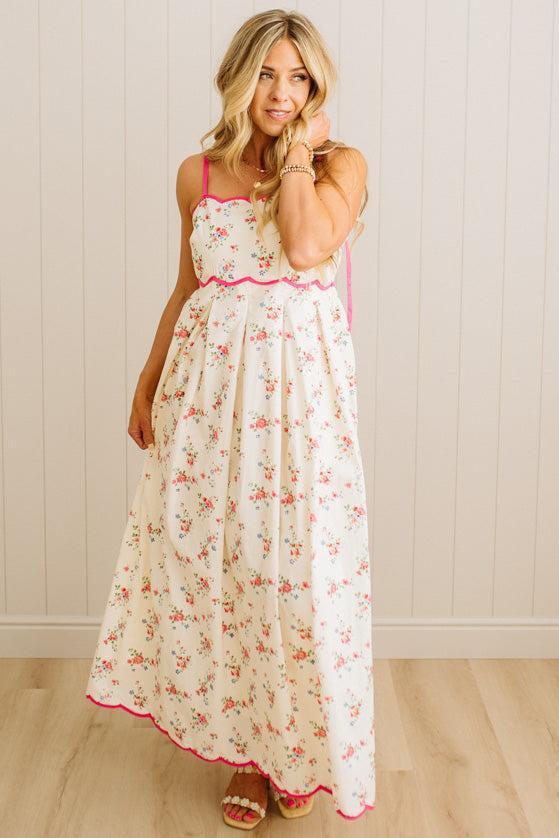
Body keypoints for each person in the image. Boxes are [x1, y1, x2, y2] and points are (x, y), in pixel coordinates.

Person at [85, 9, 375, 829]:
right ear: (239, 77)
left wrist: (290, 160)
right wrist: (146, 384)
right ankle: (250, 754)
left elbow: (309, 246)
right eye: (268, 74)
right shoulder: (197, 174)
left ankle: (300, 752)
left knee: (302, 582)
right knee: (237, 575)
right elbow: (189, 290)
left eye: (298, 77)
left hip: (300, 414)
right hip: (211, 406)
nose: (281, 92)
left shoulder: (337, 166)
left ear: (316, 87)